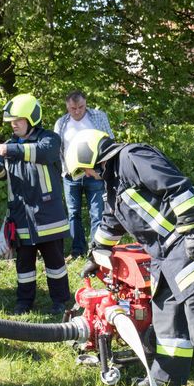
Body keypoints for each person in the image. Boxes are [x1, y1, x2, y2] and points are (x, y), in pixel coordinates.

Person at [66, 129, 194, 386]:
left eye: (85, 169)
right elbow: (111, 221)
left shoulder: (132, 157)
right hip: (167, 255)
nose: (87, 175)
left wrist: (193, 230)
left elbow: (176, 187)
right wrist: (96, 255)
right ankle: (168, 376)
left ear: (93, 156)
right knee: (167, 315)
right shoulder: (113, 181)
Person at [0, 94, 70, 315]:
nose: (14, 125)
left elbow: (42, 153)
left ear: (32, 119)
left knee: (55, 264)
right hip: (21, 215)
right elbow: (0, 175)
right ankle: (24, 302)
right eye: (11, 122)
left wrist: (11, 150)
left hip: (48, 216)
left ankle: (60, 301)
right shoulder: (9, 145)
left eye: (18, 120)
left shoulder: (49, 139)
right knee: (24, 266)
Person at [53, 91, 115, 260]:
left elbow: (109, 142)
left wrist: (103, 170)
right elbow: (57, 150)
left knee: (97, 213)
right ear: (67, 107)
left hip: (94, 174)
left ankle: (95, 251)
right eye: (73, 108)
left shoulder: (98, 117)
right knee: (73, 214)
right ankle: (77, 251)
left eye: (81, 107)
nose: (77, 111)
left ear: (86, 103)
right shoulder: (61, 123)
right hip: (70, 175)